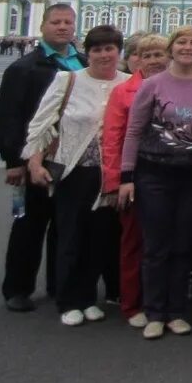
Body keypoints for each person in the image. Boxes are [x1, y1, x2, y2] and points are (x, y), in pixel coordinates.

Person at [21, 24, 129, 326]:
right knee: (70, 236)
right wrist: (34, 162)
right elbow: (41, 124)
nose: (104, 55)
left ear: (118, 51)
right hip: (73, 171)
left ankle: (86, 297)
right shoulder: (68, 80)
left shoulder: (130, 82)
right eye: (97, 49)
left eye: (110, 48)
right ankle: (68, 299)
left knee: (100, 238)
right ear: (88, 52)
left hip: (109, 173)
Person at [119, 26, 192, 339]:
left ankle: (176, 312)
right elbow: (134, 132)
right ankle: (154, 311)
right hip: (154, 173)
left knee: (183, 243)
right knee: (156, 245)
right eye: (182, 42)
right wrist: (126, 176)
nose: (188, 48)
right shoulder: (152, 85)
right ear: (172, 48)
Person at [0, 3, 83, 312]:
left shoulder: (82, 63)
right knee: (29, 225)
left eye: (67, 22)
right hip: (34, 160)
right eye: (56, 22)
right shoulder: (24, 68)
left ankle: (60, 284)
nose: (62, 27)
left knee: (65, 226)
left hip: (72, 159)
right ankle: (18, 288)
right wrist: (14, 162)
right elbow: (8, 118)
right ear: (43, 26)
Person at [102, 32, 172, 327]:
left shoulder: (177, 86)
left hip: (171, 174)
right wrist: (115, 181)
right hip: (136, 175)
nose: (155, 60)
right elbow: (113, 137)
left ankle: (161, 300)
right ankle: (132, 304)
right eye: (148, 55)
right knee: (134, 241)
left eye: (160, 54)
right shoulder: (124, 91)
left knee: (166, 241)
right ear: (136, 60)